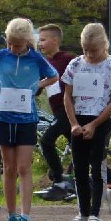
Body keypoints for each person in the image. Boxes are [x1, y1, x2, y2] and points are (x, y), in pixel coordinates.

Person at [0, 18, 58, 221]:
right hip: (3, 116)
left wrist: (38, 85)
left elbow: (53, 75)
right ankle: (11, 216)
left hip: (26, 118)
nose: (13, 48)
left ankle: (25, 217)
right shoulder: (2, 55)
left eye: (18, 45)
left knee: (24, 167)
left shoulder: (36, 58)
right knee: (9, 168)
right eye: (10, 43)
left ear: (28, 41)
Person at [58, 22, 111, 221]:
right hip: (78, 121)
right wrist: (74, 124)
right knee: (78, 169)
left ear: (103, 45)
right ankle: (83, 213)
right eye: (86, 49)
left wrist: (94, 124)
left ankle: (95, 215)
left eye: (94, 50)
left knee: (97, 168)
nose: (90, 54)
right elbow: (67, 96)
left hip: (100, 122)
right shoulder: (75, 64)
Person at [36, 23, 75, 200]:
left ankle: (59, 181)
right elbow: (38, 86)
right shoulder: (45, 63)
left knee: (46, 141)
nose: (40, 43)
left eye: (43, 40)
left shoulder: (67, 59)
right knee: (81, 148)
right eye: (39, 40)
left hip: (68, 111)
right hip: (57, 110)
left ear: (55, 40)